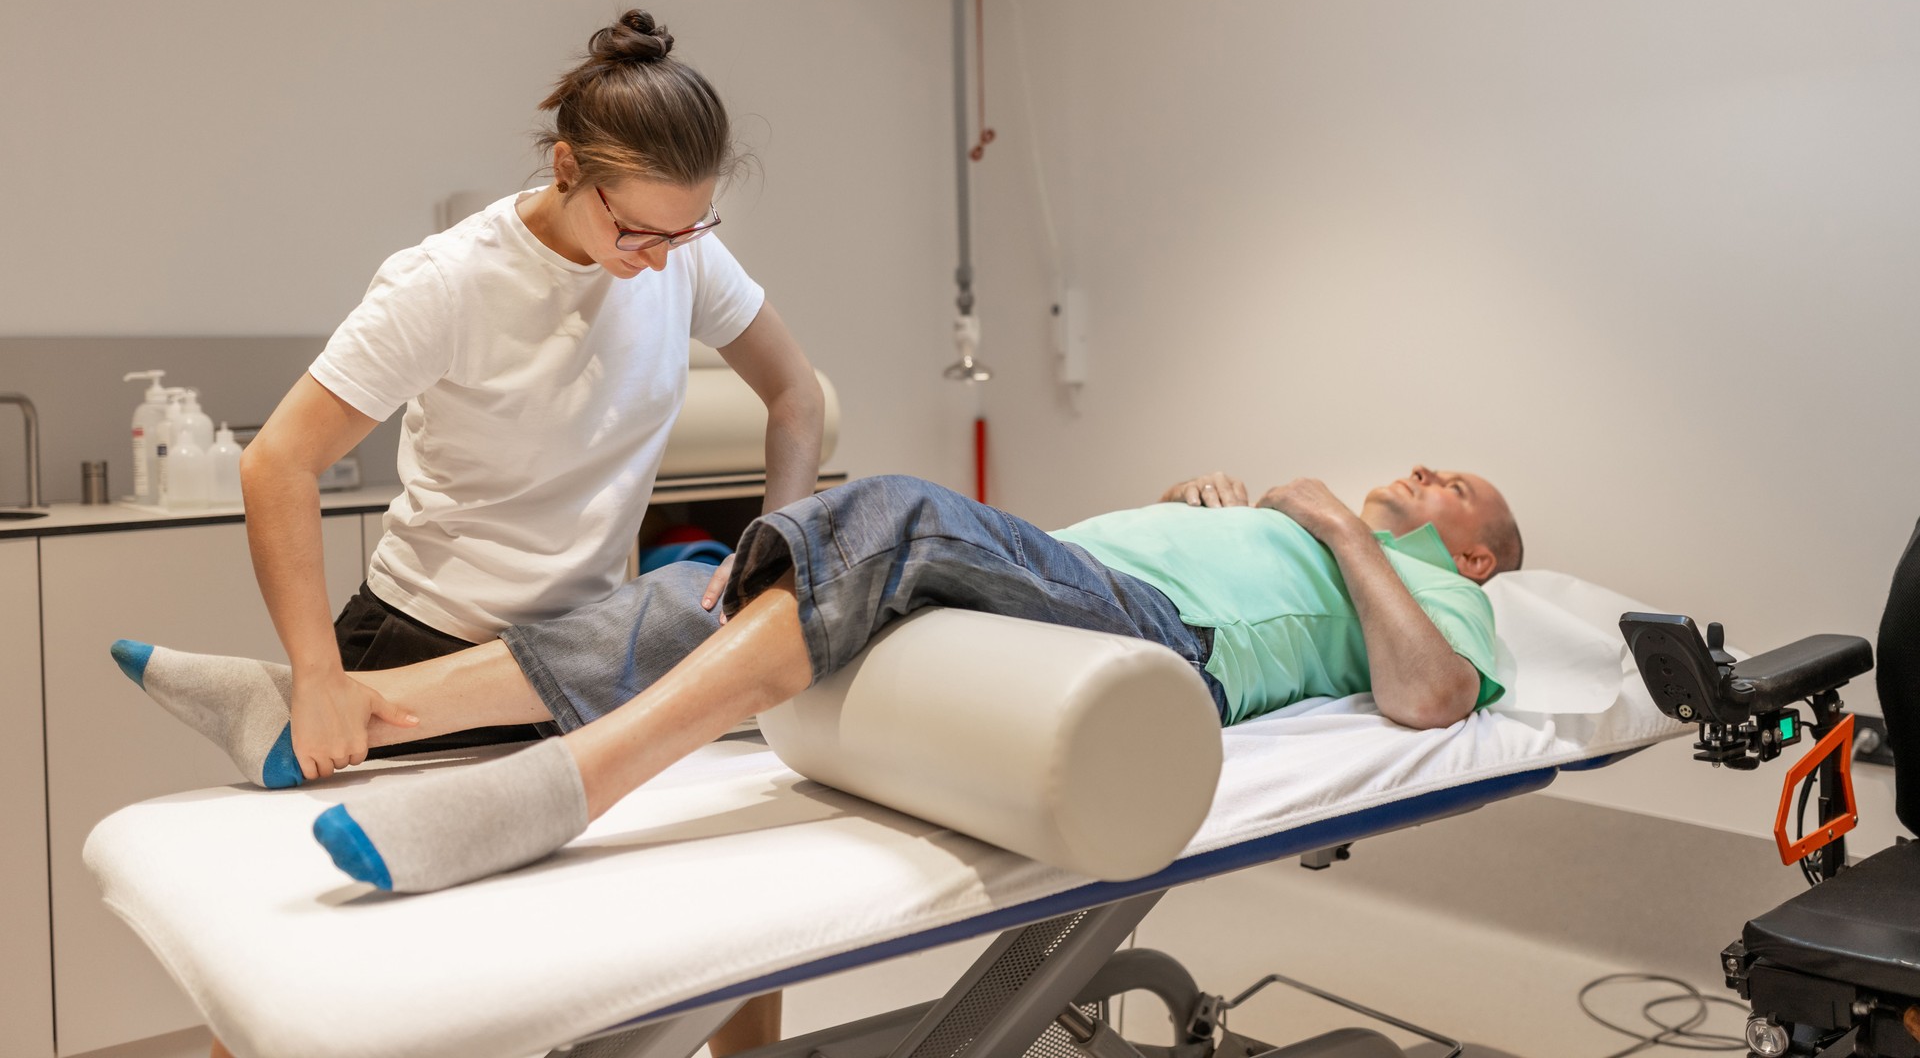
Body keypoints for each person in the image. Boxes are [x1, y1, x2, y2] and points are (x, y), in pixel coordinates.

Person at [231, 9, 820, 1057]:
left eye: (686, 230)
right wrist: (315, 670)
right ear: (565, 169)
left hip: (582, 662)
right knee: (337, 985)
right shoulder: (447, 280)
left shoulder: (680, 258)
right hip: (424, 648)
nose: (657, 257)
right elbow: (278, 460)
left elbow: (797, 396)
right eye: (635, 228)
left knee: (710, 936)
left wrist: (774, 546)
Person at [116, 464, 1521, 896]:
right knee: (694, 587)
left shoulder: (1439, 591)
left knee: (892, 511)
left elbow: (1430, 701)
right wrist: (1219, 506)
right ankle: (360, 718)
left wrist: (1338, 530)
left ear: (1474, 544)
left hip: (1155, 643)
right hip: (1072, 593)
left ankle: (564, 788)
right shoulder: (1307, 524)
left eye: (1449, 483)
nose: (1415, 470)